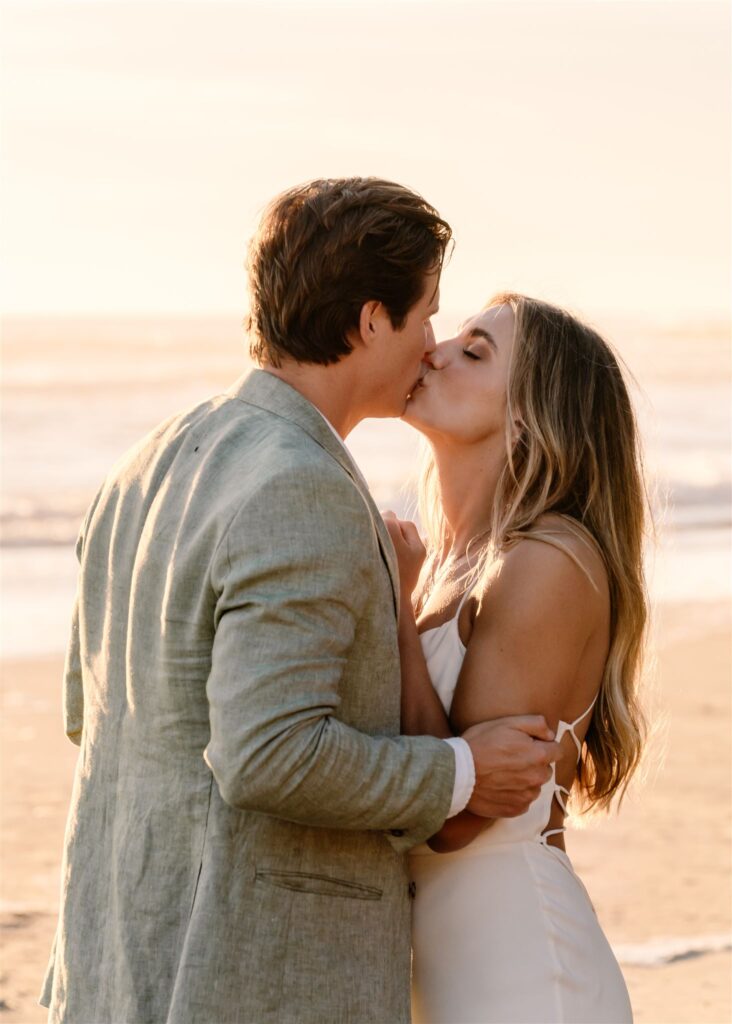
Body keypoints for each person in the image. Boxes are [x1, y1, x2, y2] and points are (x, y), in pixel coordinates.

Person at [40, 181, 562, 1024]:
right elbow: (270, 754)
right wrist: (464, 771)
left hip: (114, 955)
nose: (431, 343)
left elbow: (90, 710)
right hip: (251, 974)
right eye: (425, 313)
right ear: (368, 321)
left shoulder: (146, 461)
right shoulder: (303, 486)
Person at [384, 294, 648, 1023]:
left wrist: (398, 622)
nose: (433, 350)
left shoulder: (548, 560)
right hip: (445, 963)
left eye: (474, 352)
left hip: (520, 966)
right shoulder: (445, 565)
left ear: (533, 416)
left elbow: (457, 818)